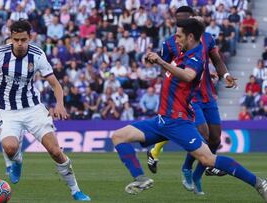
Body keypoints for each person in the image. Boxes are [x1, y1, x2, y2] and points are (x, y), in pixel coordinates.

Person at [111, 18, 267, 202]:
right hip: (161, 121)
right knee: (118, 136)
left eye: (178, 36)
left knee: (209, 159)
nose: (175, 40)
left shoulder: (195, 57)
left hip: (177, 122)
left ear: (190, 36)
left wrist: (161, 61)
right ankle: (141, 179)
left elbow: (188, 75)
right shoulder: (183, 55)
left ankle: (259, 183)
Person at [0, 19, 90, 201]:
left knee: (55, 151)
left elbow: (55, 84)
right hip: (7, 111)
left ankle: (76, 190)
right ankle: (17, 160)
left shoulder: (37, 55)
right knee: (10, 147)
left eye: (23, 39)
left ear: (30, 38)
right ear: (11, 38)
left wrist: (59, 104)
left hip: (33, 108)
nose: (20, 44)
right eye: (16, 40)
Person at [147, 6, 238, 194]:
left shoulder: (207, 38)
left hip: (207, 93)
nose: (182, 23)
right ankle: (187, 169)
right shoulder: (170, 44)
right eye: (179, 20)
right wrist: (183, 72)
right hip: (189, 96)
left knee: (215, 139)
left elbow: (216, 60)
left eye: (186, 19)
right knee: (203, 135)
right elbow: (164, 69)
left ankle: (196, 175)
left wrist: (225, 74)